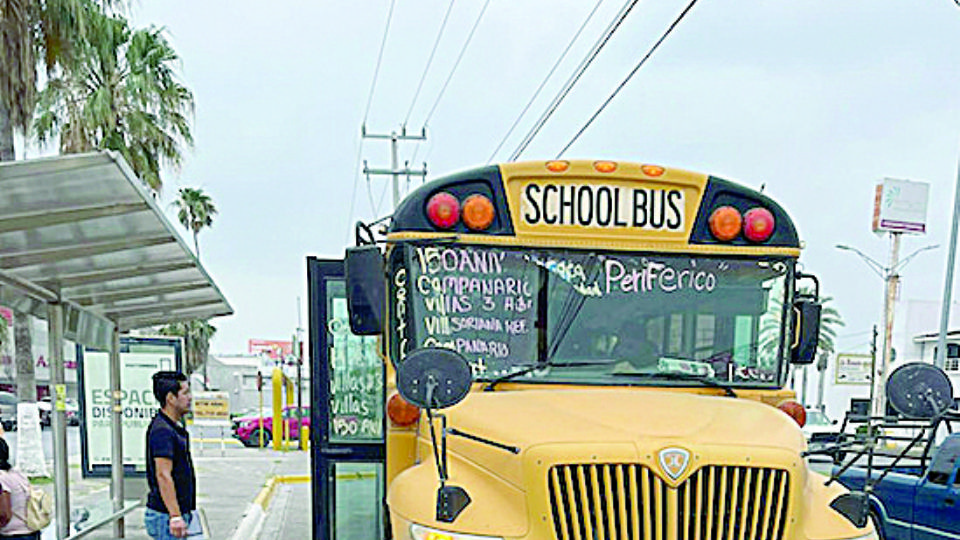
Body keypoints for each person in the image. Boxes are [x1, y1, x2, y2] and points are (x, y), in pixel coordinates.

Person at [145, 371, 196, 539]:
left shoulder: (172, 427)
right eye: (185, 393)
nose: (190, 397)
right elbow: (163, 474)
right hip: (166, 517)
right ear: (170, 398)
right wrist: (175, 516)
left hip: (176, 514)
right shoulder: (162, 431)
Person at [0, 437, 39, 540]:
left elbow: (4, 515)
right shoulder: (17, 473)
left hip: (13, 534)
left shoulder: (1, 478)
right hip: (31, 530)